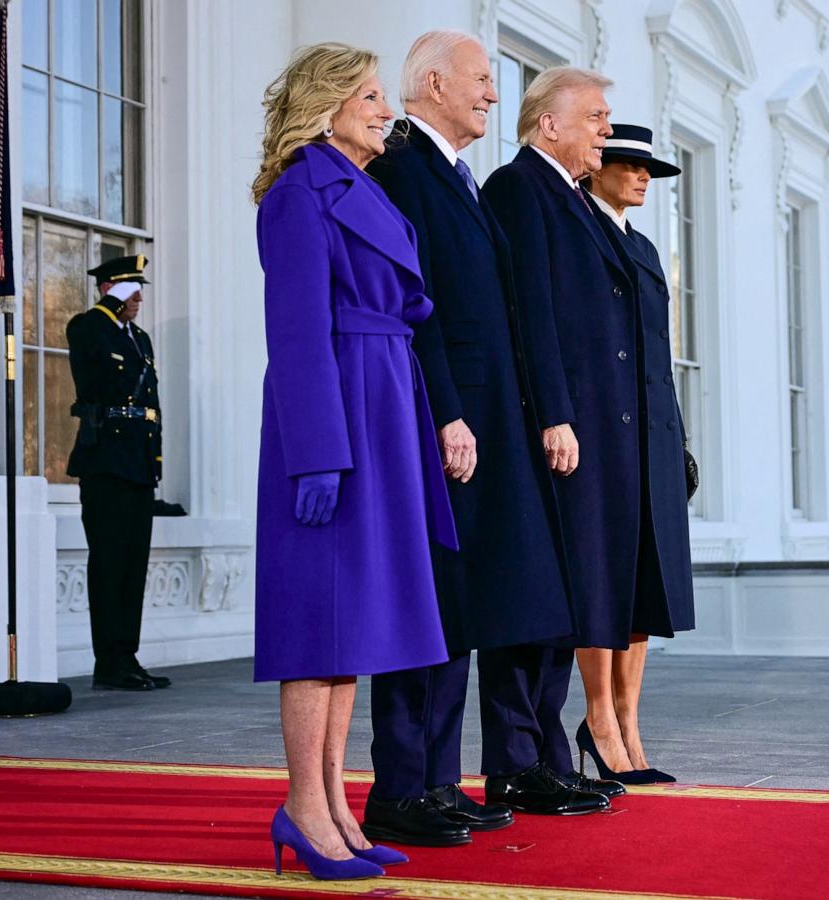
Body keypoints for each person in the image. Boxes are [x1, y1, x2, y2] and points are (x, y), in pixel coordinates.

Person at [362, 31, 604, 846]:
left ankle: (436, 779)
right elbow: (412, 301)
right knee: (431, 603)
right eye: (482, 79)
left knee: (462, 608)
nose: (494, 96)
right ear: (431, 82)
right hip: (449, 422)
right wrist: (445, 412)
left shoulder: (456, 179)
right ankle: (402, 785)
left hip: (490, 421)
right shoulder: (401, 169)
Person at [251, 42, 457, 881]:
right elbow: (296, 333)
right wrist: (316, 457)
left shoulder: (357, 187)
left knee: (353, 624)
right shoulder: (300, 191)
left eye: (381, 95)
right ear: (326, 104)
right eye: (368, 95)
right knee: (317, 623)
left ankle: (333, 803)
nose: (384, 108)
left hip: (382, 403)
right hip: (335, 416)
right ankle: (305, 807)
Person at [482, 67, 644, 800]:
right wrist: (555, 413)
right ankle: (518, 763)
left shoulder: (573, 197)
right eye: (596, 118)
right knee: (534, 596)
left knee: (568, 595)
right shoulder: (519, 188)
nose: (605, 133)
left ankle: (547, 753)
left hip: (593, 431)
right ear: (550, 124)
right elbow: (531, 312)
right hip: (553, 428)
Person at [578, 124, 696, 784]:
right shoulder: (577, 232)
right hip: (600, 432)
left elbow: (660, 356)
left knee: (647, 584)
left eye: (650, 168)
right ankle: (599, 721)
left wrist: (677, 441)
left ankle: (629, 722)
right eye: (631, 164)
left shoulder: (645, 247)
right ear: (598, 167)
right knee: (605, 582)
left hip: (653, 431)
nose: (644, 176)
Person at [66, 254, 171, 692]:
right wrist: (109, 305)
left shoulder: (139, 339)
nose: (139, 297)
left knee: (134, 564)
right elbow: (88, 356)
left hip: (138, 464)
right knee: (108, 563)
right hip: (105, 461)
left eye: (140, 288)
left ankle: (127, 654)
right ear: (108, 289)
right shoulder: (88, 326)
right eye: (131, 289)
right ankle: (107, 660)